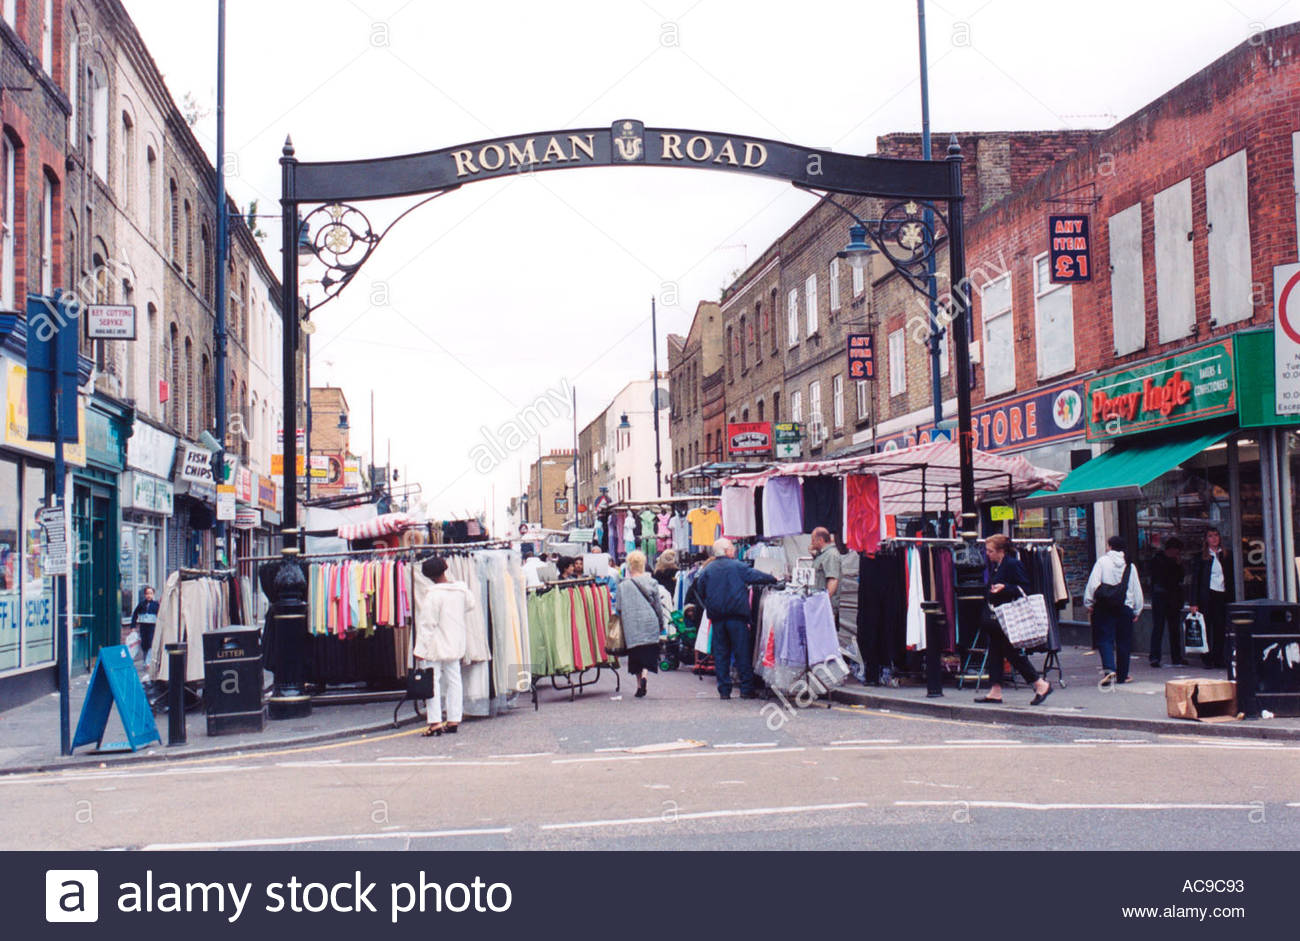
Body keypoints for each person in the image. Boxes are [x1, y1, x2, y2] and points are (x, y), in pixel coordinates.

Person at [691, 537, 779, 699]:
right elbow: (756, 576)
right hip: (737, 617)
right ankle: (746, 689)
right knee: (742, 653)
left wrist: (709, 603)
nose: (734, 550)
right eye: (732, 547)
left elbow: (699, 588)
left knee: (721, 654)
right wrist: (774, 579)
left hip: (717, 618)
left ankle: (724, 690)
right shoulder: (737, 567)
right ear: (727, 551)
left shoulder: (707, 570)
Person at [976, 535, 1053, 705]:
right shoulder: (998, 565)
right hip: (998, 618)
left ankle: (1040, 684)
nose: (987, 554)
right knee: (995, 651)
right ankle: (995, 691)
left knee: (1011, 652)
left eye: (990, 551)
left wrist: (1005, 588)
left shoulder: (1012, 564)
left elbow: (1024, 588)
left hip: (1009, 618)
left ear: (1000, 551)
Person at [413, 557, 476, 736]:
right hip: (455, 641)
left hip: (435, 645)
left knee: (433, 682)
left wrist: (420, 650)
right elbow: (470, 605)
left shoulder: (433, 595)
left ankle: (435, 722)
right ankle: (454, 718)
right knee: (454, 680)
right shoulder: (460, 590)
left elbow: (427, 624)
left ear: (429, 577)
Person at [1085, 535, 1144, 684]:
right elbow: (1136, 589)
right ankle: (1122, 675)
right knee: (1124, 642)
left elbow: (1093, 584)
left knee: (1105, 639)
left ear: (1110, 546)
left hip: (1104, 607)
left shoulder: (1102, 562)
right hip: (1125, 607)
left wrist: (1089, 603)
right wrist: (1137, 609)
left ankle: (1109, 670)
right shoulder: (1130, 565)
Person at [617, 551, 665, 698]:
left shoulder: (623, 586)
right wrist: (661, 623)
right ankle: (645, 675)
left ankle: (639, 685)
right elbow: (658, 606)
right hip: (649, 622)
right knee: (647, 653)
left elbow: (619, 607)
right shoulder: (652, 582)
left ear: (629, 566)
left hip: (631, 624)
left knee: (636, 654)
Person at [1190, 527, 1233, 669]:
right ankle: (1207, 658)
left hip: (1222, 594)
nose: (1214, 539)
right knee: (1207, 627)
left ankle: (1218, 657)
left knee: (1220, 627)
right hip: (1207, 595)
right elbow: (1195, 580)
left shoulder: (1226, 555)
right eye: (1210, 536)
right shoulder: (1201, 558)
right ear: (1206, 539)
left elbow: (1231, 577)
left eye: (1216, 535)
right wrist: (1194, 602)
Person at [1148, 536, 1186, 668]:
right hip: (1163, 596)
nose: (1178, 554)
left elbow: (1180, 577)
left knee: (1172, 628)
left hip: (1170, 597)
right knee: (1160, 627)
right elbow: (1170, 579)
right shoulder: (1159, 561)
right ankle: (1156, 656)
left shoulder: (1170, 561)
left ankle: (1174, 656)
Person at [809, 527, 842, 619]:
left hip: (825, 608)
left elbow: (833, 580)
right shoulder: (823, 555)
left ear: (820, 540)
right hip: (820, 605)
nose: (811, 542)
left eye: (813, 540)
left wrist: (823, 602)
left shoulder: (831, 555)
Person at [130, 585, 159, 664]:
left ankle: (149, 661)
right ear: (144, 595)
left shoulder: (156, 605)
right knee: (144, 643)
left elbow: (160, 617)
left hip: (152, 626)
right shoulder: (141, 604)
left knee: (150, 642)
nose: (149, 595)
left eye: (151, 593)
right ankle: (145, 658)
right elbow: (135, 614)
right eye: (147, 593)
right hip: (143, 626)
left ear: (153, 594)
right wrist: (133, 626)